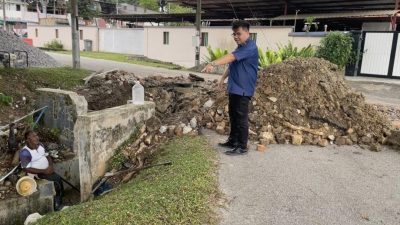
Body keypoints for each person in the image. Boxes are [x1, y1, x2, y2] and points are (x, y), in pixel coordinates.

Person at [202, 20, 259, 155]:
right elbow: (232, 63)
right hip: (234, 88)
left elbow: (230, 57)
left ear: (247, 32)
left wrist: (213, 63)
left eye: (238, 34)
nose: (236, 37)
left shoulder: (250, 47)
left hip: (243, 89)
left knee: (241, 118)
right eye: (234, 34)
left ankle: (242, 146)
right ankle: (233, 140)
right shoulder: (240, 48)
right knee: (233, 116)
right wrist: (222, 78)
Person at [19, 130, 64, 210]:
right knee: (57, 180)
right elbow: (27, 168)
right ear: (28, 140)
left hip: (47, 170)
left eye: (36, 135)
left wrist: (50, 166)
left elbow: (47, 156)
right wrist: (44, 171)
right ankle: (58, 205)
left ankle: (59, 200)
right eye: (33, 136)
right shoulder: (25, 152)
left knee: (58, 180)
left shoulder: (40, 145)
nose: (37, 137)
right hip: (38, 173)